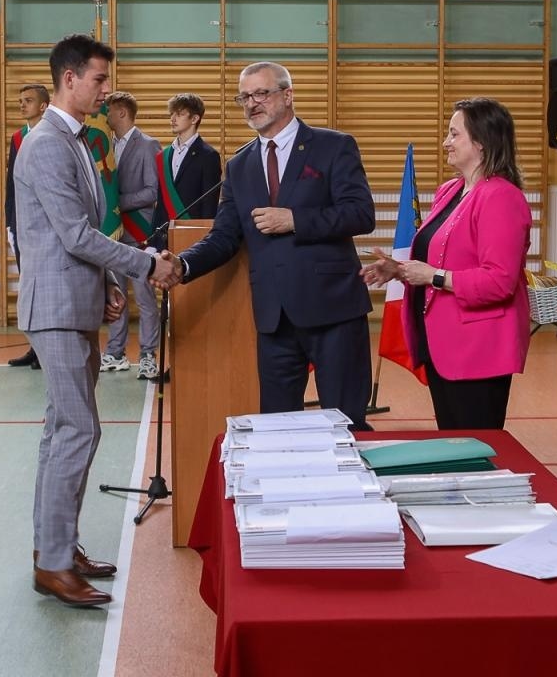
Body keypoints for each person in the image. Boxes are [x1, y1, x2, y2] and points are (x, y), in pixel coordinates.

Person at [15, 34, 176, 608]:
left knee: (62, 430)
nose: (106, 91)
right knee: (77, 430)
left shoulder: (78, 141)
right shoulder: (47, 145)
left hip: (73, 301)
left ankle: (56, 548)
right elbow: (75, 234)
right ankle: (54, 563)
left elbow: (85, 228)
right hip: (54, 309)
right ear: (69, 79)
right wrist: (144, 265)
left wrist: (108, 284)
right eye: (100, 81)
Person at [162, 61, 376, 431]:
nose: (251, 103)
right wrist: (183, 265)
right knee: (279, 429)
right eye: (244, 97)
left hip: (334, 312)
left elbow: (360, 214)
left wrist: (296, 219)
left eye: (261, 93)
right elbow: (224, 236)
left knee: (346, 426)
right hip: (274, 320)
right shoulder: (240, 165)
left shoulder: (333, 146)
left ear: (287, 95)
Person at [360, 98, 531, 430]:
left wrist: (435, 277)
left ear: (481, 142)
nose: (445, 143)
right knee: (455, 443)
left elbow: (499, 281)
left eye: (454, 134)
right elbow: (439, 256)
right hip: (442, 344)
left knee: (476, 449)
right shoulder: (450, 190)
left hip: (478, 350)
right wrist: (400, 269)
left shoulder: (501, 197)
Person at [99, 92, 163, 381]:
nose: (105, 116)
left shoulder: (148, 145)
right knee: (116, 295)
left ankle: (149, 355)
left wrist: (118, 203)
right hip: (114, 232)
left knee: (146, 297)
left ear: (122, 112)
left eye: (109, 111)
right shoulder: (106, 148)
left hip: (138, 231)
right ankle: (115, 352)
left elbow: (152, 191)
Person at [5, 84, 49, 371]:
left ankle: (47, 350)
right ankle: (35, 348)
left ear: (44, 106)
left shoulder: (52, 136)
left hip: (46, 228)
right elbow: (11, 185)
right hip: (22, 226)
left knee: (47, 288)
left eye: (28, 101)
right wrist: (10, 223)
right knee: (29, 288)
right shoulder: (18, 138)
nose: (22, 105)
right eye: (20, 101)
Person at [151, 92, 221, 230]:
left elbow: (209, 206)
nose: (172, 119)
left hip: (192, 234)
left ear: (194, 118)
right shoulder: (163, 155)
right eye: (172, 114)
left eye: (180, 114)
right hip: (164, 234)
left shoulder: (209, 156)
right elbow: (160, 203)